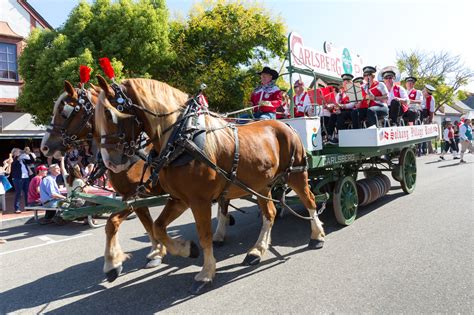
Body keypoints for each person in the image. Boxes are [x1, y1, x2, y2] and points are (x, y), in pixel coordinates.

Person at [329, 73, 356, 144]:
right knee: (333, 115)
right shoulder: (340, 93)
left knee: (341, 115)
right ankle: (329, 136)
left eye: (347, 81)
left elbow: (352, 105)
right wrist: (328, 106)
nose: (345, 83)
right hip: (343, 110)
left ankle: (339, 137)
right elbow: (335, 102)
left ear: (351, 82)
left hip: (352, 111)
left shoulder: (353, 91)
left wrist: (342, 106)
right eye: (344, 81)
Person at [10, 148, 35, 213]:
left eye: (20, 151)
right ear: (14, 153)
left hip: (26, 178)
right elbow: (14, 162)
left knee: (27, 192)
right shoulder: (12, 160)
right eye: (18, 151)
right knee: (18, 193)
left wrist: (29, 153)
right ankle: (17, 208)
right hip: (18, 178)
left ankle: (28, 206)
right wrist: (19, 155)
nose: (20, 152)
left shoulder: (23, 160)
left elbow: (32, 161)